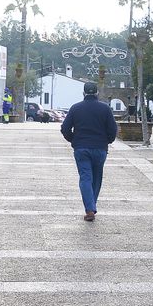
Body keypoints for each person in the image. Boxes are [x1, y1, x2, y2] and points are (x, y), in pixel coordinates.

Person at [60, 81, 118, 221]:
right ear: (97, 93)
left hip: (81, 149)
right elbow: (113, 130)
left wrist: (74, 140)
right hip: (100, 149)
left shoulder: (75, 108)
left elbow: (65, 128)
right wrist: (107, 141)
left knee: (86, 177)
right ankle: (91, 206)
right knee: (97, 178)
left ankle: (90, 208)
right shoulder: (105, 109)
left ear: (83, 93)